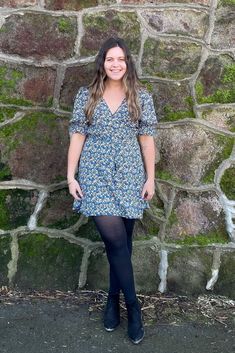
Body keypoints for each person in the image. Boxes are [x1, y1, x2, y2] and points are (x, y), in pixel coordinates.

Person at [67, 37, 158, 344]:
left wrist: (150, 178)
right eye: (110, 59)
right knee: (115, 241)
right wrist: (71, 176)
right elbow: (78, 135)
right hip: (95, 174)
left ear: (127, 63)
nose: (116, 64)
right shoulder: (87, 94)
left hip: (131, 175)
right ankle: (133, 308)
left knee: (124, 245)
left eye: (121, 59)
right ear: (102, 63)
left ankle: (111, 300)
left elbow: (146, 138)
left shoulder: (141, 96)